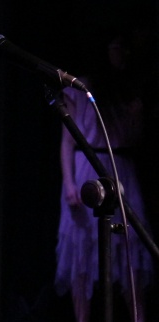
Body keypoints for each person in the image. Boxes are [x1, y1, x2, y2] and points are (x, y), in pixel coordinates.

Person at [55, 32, 154, 322]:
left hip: (121, 166)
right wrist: (69, 183)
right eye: (117, 47)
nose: (123, 54)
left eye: (126, 48)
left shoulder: (129, 91)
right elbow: (67, 141)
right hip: (88, 164)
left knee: (130, 242)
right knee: (82, 245)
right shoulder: (82, 88)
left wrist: (137, 116)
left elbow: (134, 139)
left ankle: (138, 316)